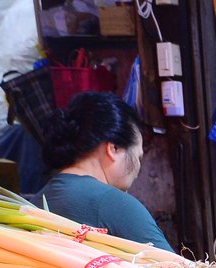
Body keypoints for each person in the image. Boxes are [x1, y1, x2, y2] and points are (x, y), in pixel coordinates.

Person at [39, 92, 170, 250]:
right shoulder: (116, 204)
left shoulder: (36, 201)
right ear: (113, 148)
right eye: (138, 158)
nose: (138, 170)